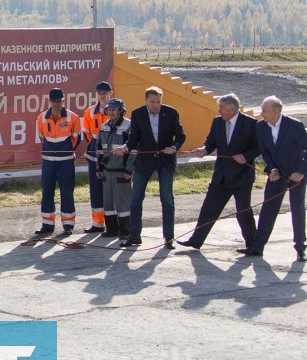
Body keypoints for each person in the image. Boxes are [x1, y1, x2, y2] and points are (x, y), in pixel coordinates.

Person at [178, 93, 258, 250]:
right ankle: (196, 240)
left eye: (221, 108)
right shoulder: (217, 122)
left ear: (232, 109)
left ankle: (253, 245)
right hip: (221, 175)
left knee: (243, 211)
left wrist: (245, 156)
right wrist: (204, 149)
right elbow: (211, 142)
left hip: (242, 176)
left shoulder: (250, 123)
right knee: (209, 208)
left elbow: (259, 146)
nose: (219, 111)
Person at [238, 96, 307, 261]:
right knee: (268, 209)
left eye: (264, 110)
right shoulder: (261, 126)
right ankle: (257, 247)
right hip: (277, 175)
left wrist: (301, 172)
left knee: (297, 209)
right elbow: (265, 151)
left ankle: (300, 249)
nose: (261, 113)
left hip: (297, 174)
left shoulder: (295, 126)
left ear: (276, 111)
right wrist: (273, 169)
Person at [117, 86, 185, 248]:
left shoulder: (171, 113)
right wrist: (125, 148)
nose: (156, 105)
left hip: (165, 161)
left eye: (158, 102)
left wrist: (174, 147)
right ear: (146, 100)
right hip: (144, 161)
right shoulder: (138, 114)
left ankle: (169, 238)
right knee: (136, 199)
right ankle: (134, 236)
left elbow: (180, 135)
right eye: (153, 102)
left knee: (167, 199)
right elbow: (133, 138)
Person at [34, 87, 82, 236]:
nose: (56, 104)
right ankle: (47, 224)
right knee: (47, 191)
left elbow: (77, 139)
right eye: (54, 101)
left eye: (59, 101)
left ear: (63, 100)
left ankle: (68, 224)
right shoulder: (41, 118)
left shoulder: (73, 118)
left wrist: (65, 151)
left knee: (67, 192)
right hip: (48, 161)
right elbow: (41, 137)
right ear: (50, 101)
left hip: (66, 161)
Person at [95, 98, 135, 238]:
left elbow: (134, 150)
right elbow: (99, 149)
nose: (111, 112)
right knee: (108, 203)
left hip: (121, 172)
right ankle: (112, 229)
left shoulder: (129, 126)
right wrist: (98, 168)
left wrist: (129, 170)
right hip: (107, 171)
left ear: (121, 111)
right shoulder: (104, 126)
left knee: (122, 203)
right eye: (109, 109)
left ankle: (126, 231)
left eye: (114, 109)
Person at [82, 81, 113, 233]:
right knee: (95, 189)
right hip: (94, 152)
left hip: (110, 152)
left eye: (105, 93)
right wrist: (95, 145)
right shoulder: (89, 112)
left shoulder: (115, 110)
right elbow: (87, 132)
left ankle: (111, 223)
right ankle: (97, 223)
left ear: (110, 94)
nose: (102, 96)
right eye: (100, 93)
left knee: (110, 189)